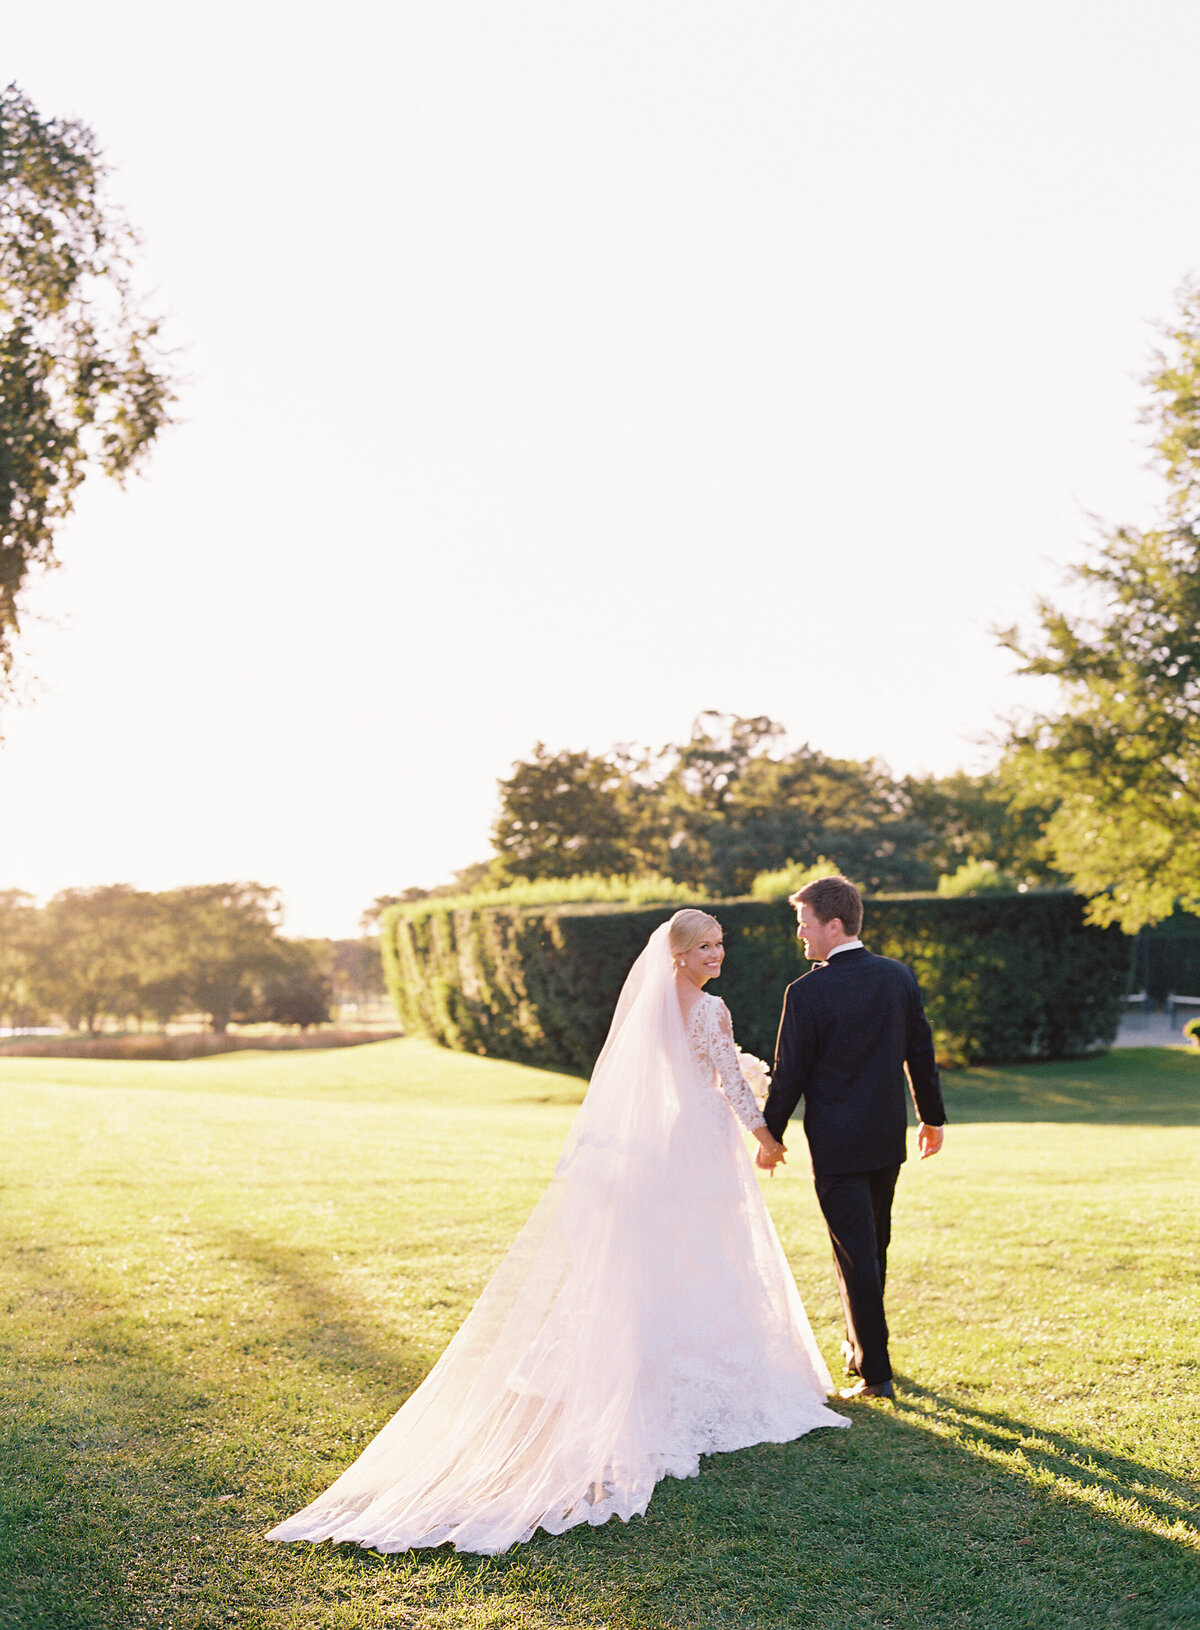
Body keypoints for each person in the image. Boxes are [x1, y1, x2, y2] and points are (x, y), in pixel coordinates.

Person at [266, 909, 848, 1556]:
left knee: (676, 1256)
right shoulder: (711, 1009)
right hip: (703, 1141)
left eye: (720, 943)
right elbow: (727, 1085)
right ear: (678, 955)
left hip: (667, 1143)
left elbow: (685, 1072)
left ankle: (672, 1371)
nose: (717, 954)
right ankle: (710, 1384)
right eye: (705, 947)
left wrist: (744, 1086)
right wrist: (764, 1134)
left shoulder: (654, 1009)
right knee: (712, 1254)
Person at [758, 877, 946, 1402]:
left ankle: (875, 1374)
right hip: (888, 1135)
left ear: (833, 925)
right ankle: (859, 1347)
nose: (800, 933)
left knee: (857, 1254)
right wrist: (931, 1118)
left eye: (805, 923)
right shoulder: (897, 976)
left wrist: (769, 1136)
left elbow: (788, 1072)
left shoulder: (806, 991)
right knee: (872, 1248)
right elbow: (921, 1053)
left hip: (838, 1146)